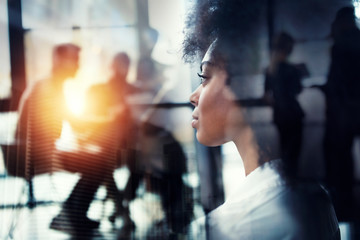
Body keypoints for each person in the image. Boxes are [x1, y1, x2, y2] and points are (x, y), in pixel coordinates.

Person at [183, 0, 340, 239]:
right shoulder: (315, 198)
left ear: (247, 86)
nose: (193, 95)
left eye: (204, 77)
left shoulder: (227, 227)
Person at [322, 6, 360, 221]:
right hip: (353, 107)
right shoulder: (356, 38)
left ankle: (343, 205)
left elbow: (337, 81)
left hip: (345, 109)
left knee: (338, 154)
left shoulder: (342, 43)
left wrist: (326, 91)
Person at [263, 32, 306, 178]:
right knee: (294, 154)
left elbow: (267, 97)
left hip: (280, 115)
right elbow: (298, 89)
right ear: (288, 48)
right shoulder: (291, 70)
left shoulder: (269, 70)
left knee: (285, 151)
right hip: (293, 114)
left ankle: (287, 184)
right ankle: (292, 184)